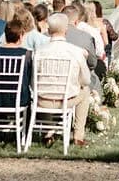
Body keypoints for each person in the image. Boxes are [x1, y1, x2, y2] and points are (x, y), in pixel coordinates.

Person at [35, 13, 90, 147]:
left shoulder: (39, 51)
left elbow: (33, 79)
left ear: (48, 30)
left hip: (43, 100)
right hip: (67, 100)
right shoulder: (76, 51)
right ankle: (78, 135)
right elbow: (86, 80)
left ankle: (48, 132)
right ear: (66, 30)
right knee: (86, 91)